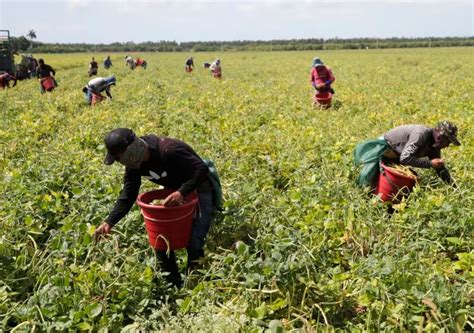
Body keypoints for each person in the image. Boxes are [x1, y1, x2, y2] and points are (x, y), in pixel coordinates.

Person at [94, 128, 221, 288]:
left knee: (194, 239)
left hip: (197, 187)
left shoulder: (169, 150)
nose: (120, 163)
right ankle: (173, 286)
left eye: (119, 158)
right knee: (161, 240)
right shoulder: (134, 164)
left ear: (131, 151)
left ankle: (195, 284)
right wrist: (109, 222)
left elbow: (201, 170)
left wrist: (182, 192)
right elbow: (129, 193)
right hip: (173, 191)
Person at [354, 121, 460, 189]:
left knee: (394, 186)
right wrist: (430, 163)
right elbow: (405, 158)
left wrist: (454, 187)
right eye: (448, 141)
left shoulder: (434, 147)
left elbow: (440, 169)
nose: (447, 146)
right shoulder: (420, 135)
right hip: (385, 149)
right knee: (369, 182)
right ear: (440, 137)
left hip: (397, 156)